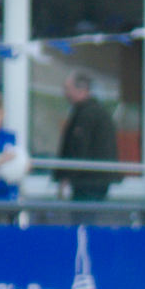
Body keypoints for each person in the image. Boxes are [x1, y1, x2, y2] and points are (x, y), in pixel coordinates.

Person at [54, 71, 121, 202]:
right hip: (95, 179)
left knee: (84, 212)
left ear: (81, 90)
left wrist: (67, 177)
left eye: (67, 89)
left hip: (88, 181)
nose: (65, 93)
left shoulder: (87, 115)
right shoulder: (95, 112)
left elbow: (78, 148)